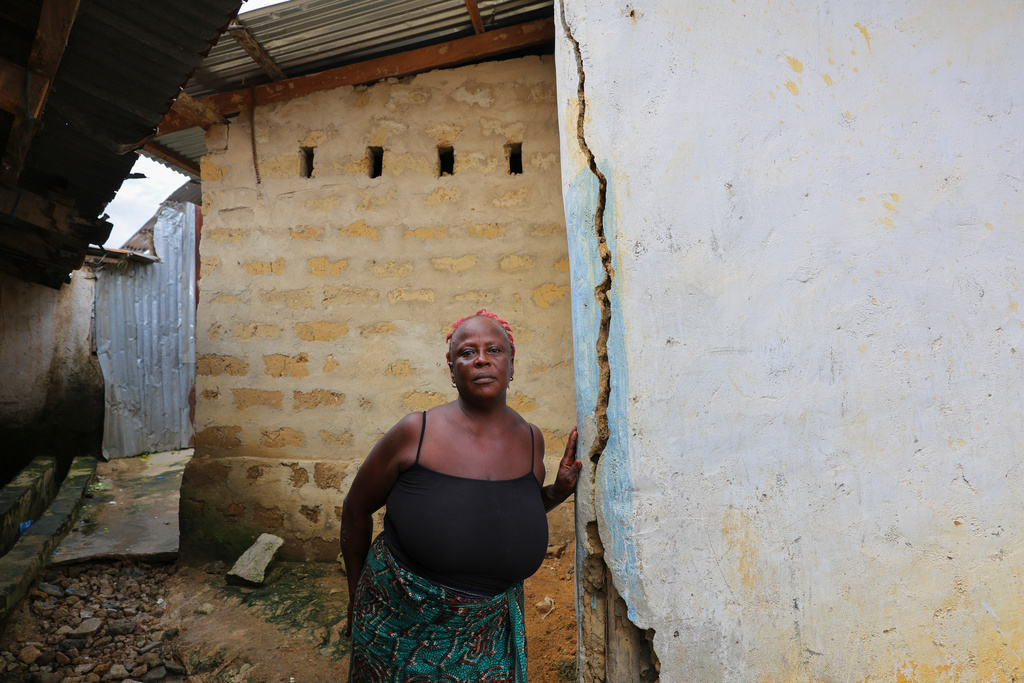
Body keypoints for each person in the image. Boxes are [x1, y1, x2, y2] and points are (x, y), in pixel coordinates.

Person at [340, 309, 582, 683]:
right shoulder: (415, 432)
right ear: (451, 369)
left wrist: (557, 491)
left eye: (494, 350)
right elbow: (356, 510)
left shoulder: (531, 437)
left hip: (488, 634)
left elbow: (510, 513)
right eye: (468, 352)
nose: (482, 358)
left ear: (512, 365)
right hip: (400, 621)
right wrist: (356, 597)